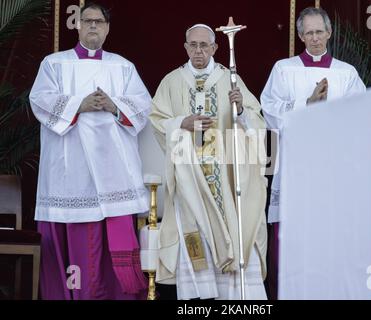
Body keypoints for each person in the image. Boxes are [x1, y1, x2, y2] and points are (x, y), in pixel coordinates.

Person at [29, 3, 151, 300]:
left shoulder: (122, 67)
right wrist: (79, 105)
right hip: (71, 172)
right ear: (77, 25)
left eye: (99, 22)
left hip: (113, 173)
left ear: (107, 28)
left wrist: (113, 105)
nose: (93, 26)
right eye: (87, 21)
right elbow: (40, 99)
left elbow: (143, 105)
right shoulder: (54, 63)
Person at [149, 24, 267, 300]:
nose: (199, 50)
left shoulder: (231, 79)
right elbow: (157, 121)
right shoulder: (172, 81)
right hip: (190, 178)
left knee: (234, 229)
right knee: (195, 235)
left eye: (204, 45)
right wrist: (182, 123)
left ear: (215, 48)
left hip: (226, 177)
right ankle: (200, 300)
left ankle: (236, 299)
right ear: (186, 47)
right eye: (193, 45)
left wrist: (239, 110)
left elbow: (256, 122)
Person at [261, 7, 366, 300]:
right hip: (295, 165)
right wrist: (306, 105)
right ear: (300, 35)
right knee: (290, 237)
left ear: (329, 33)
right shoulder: (283, 69)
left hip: (333, 167)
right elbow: (269, 109)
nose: (315, 38)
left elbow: (359, 115)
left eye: (320, 32)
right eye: (309, 32)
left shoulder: (346, 74)